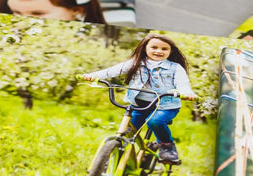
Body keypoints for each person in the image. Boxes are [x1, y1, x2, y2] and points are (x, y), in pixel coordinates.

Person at [79, 34, 198, 164]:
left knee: (155, 122)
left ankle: (167, 146)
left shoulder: (175, 68)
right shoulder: (136, 62)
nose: (159, 51)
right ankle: (107, 162)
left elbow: (183, 84)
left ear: (170, 51)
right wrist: (94, 75)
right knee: (128, 132)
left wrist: (186, 92)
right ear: (145, 48)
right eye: (154, 47)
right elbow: (113, 71)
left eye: (164, 49)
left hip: (166, 105)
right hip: (139, 105)